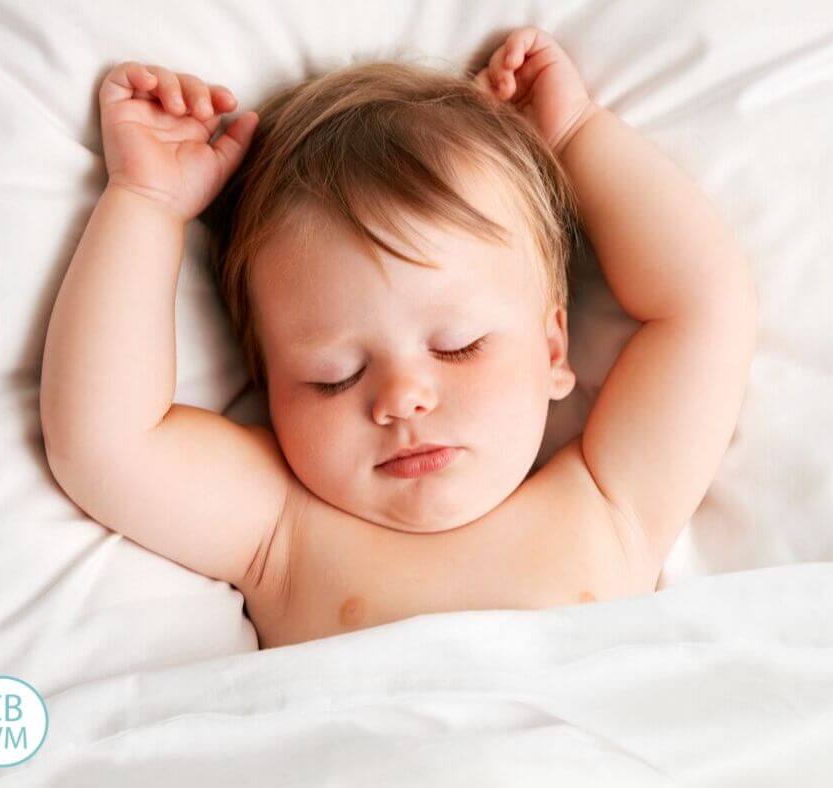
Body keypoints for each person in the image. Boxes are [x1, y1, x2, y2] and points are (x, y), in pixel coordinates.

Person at [40, 27, 757, 649]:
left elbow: (701, 304)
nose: (403, 398)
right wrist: (146, 204)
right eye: (334, 374)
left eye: (458, 345)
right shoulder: (284, 534)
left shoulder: (611, 503)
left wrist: (574, 137)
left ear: (553, 350)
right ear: (266, 383)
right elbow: (107, 442)